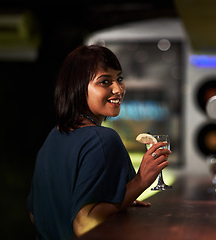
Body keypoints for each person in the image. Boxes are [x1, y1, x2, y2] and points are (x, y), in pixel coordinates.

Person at [27, 45, 171, 239]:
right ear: (77, 88)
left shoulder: (54, 136)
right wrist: (141, 181)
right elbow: (84, 223)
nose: (118, 89)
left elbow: (35, 215)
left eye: (119, 79)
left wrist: (118, 202)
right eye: (104, 81)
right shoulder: (102, 139)